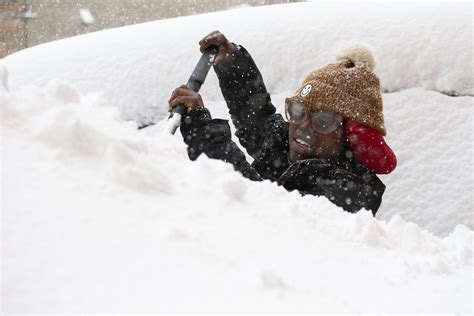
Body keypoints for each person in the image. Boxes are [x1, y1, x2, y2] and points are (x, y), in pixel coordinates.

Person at [168, 31, 397, 215]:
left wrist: (205, 133)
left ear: (350, 135)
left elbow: (261, 213)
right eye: (298, 111)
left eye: (323, 121)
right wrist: (232, 63)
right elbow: (257, 119)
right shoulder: (288, 148)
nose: (302, 127)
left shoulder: (350, 195)